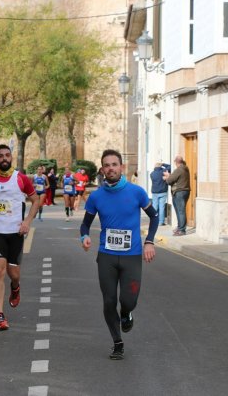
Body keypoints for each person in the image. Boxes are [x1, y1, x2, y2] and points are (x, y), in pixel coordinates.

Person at [79, 149, 158, 360]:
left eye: (115, 164)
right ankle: (117, 342)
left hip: (132, 256)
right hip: (106, 256)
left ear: (121, 167)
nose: (111, 168)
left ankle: (126, 313)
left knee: (128, 300)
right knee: (108, 301)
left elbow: (154, 216)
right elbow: (85, 224)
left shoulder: (136, 192)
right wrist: (84, 237)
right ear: (102, 169)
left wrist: (149, 241)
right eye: (107, 165)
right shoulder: (96, 197)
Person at [0, 144, 40, 331]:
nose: (4, 158)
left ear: (11, 157)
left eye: (7, 155)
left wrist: (27, 221)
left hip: (15, 232)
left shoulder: (20, 178)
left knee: (14, 274)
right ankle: (0, 316)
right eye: (0, 156)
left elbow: (36, 200)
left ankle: (15, 286)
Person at [163, 156, 191, 236]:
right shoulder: (185, 168)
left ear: (176, 162)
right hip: (185, 191)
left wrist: (167, 177)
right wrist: (170, 176)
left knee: (180, 211)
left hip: (179, 192)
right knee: (180, 211)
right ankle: (180, 227)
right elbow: (177, 178)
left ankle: (181, 230)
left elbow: (169, 181)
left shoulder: (178, 170)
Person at [150, 162, 171, 226]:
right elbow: (170, 166)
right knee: (162, 207)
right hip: (163, 192)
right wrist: (163, 164)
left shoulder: (152, 174)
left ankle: (153, 221)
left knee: (154, 207)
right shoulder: (163, 171)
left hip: (155, 192)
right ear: (161, 166)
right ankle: (161, 222)